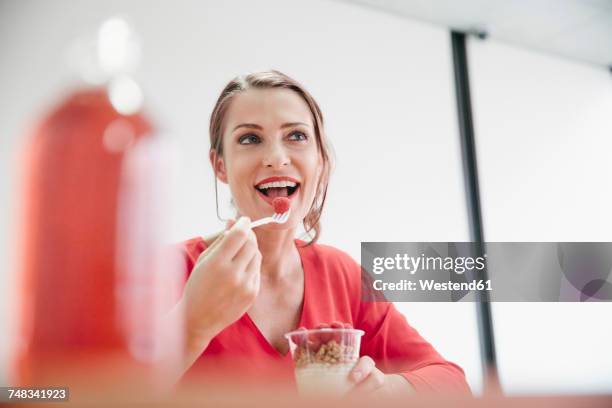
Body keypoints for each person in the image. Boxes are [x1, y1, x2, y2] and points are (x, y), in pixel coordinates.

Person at [173, 70, 471, 395]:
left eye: (297, 136)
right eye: (250, 139)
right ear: (220, 166)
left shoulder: (342, 276)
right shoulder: (170, 270)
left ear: (320, 160)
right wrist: (191, 321)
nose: (276, 158)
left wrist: (381, 390)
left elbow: (453, 385)